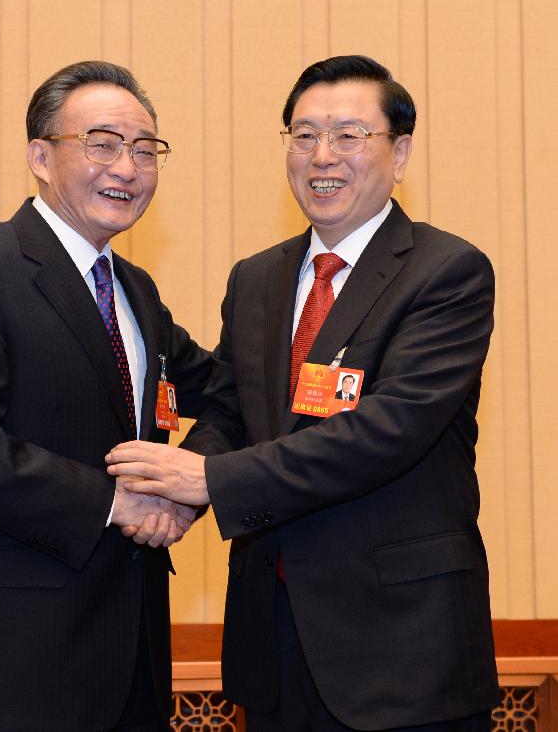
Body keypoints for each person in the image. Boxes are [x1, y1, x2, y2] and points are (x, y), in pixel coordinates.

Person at [106, 56, 501, 731]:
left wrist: (209, 480)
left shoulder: (447, 273)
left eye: (350, 135)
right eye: (304, 134)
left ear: (399, 153)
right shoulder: (256, 279)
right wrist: (174, 497)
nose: (323, 156)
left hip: (404, 649)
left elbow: (387, 431)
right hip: (274, 646)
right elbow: (233, 408)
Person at [0, 61, 212, 732]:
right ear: (40, 157)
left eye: (145, 148)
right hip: (16, 672)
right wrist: (114, 500)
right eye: (101, 143)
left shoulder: (137, 291)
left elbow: (222, 391)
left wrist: (194, 480)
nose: (127, 168)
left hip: (134, 667)